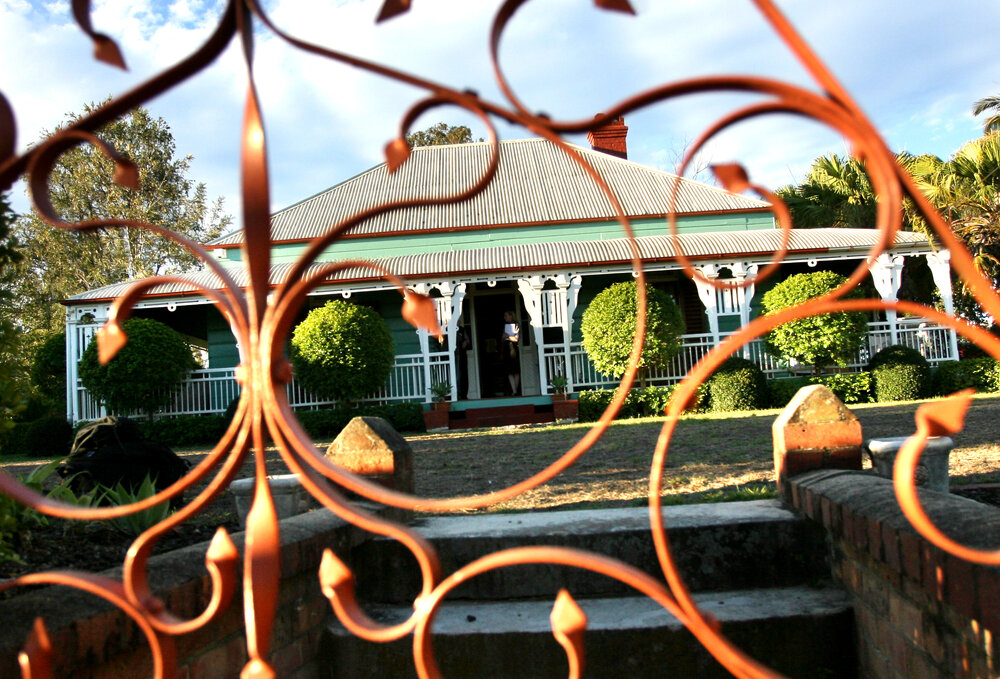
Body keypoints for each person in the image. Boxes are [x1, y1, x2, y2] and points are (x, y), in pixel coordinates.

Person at [501, 310, 520, 396]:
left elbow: (516, 339)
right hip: (506, 349)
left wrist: (508, 336)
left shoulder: (516, 325)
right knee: (509, 371)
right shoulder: (504, 326)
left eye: (506, 315)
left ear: (511, 316)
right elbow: (502, 339)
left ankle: (515, 390)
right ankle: (514, 391)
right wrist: (504, 337)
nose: (505, 317)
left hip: (514, 349)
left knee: (515, 371)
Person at [455, 324, 471, 400]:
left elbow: (467, 340)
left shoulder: (462, 329)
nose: (459, 321)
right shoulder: (448, 329)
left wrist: (466, 342)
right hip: (455, 355)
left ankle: (463, 394)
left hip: (462, 355)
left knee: (463, 375)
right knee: (457, 376)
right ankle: (457, 394)